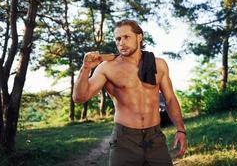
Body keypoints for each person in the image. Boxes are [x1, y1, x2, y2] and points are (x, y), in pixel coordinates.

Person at [73, 19, 187, 166]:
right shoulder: (107, 67)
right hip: (125, 140)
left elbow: (170, 99)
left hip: (155, 138)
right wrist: (86, 68)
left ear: (139, 37)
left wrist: (181, 129)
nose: (121, 42)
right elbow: (79, 97)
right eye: (118, 39)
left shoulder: (158, 64)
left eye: (126, 37)